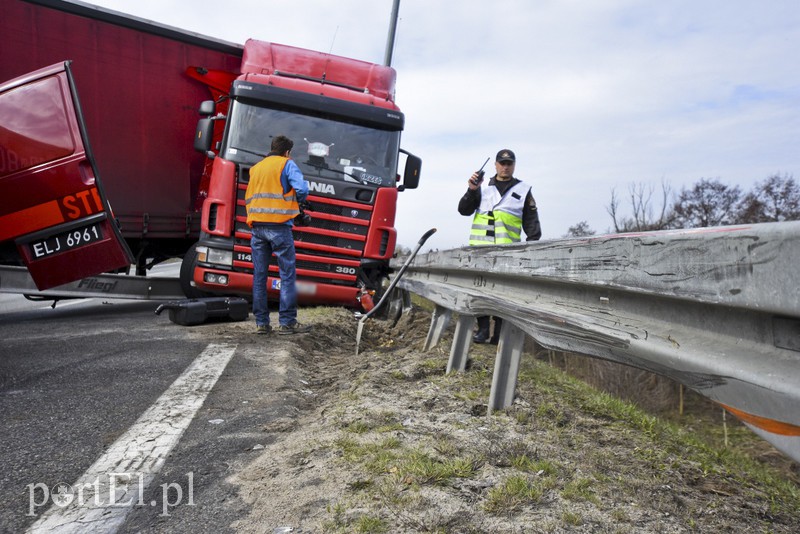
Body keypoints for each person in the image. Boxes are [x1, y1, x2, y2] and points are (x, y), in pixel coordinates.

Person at [458, 148, 542, 344]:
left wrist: (531, 251)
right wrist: (471, 189)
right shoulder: (482, 189)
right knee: (480, 289)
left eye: (509, 163)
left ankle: (499, 335)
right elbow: (463, 210)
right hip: (480, 251)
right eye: (502, 163)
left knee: (502, 294)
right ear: (495, 165)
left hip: (508, 253)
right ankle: (483, 329)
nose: (505, 167)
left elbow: (532, 224)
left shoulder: (523, 190)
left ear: (514, 165)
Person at [246, 135, 312, 335]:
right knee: (287, 275)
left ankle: (261, 324)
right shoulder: (286, 164)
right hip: (279, 228)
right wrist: (298, 205)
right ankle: (287, 322)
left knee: (259, 276)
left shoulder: (256, 168)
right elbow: (302, 189)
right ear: (287, 152)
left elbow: (249, 197)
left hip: (257, 228)